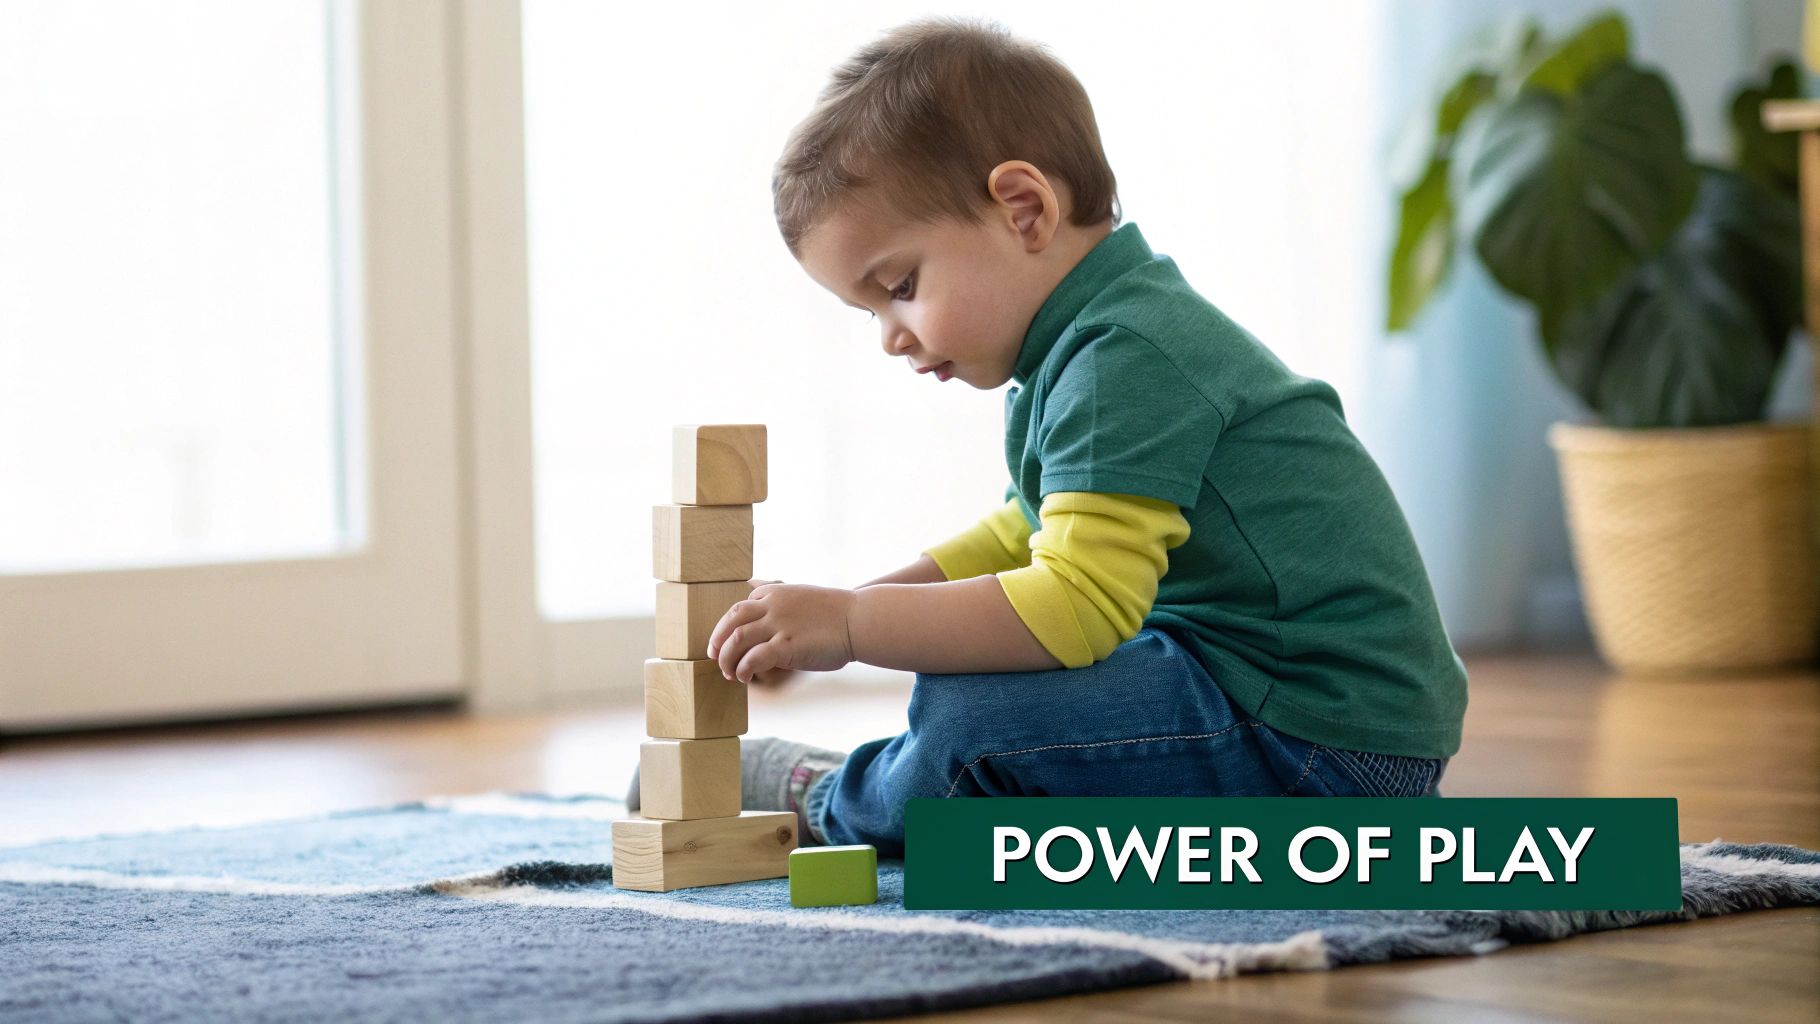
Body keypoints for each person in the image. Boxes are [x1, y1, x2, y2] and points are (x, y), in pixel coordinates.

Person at [630, 17, 1467, 857]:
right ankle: (925, 794)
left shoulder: (1125, 356)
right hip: (1273, 707)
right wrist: (835, 612)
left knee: (975, 711)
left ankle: (832, 803)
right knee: (987, 682)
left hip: (1320, 747)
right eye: (872, 311)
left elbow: (1071, 608)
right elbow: (1027, 532)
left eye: (900, 287)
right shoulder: (1093, 339)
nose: (891, 334)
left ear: (1024, 209)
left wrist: (852, 624)